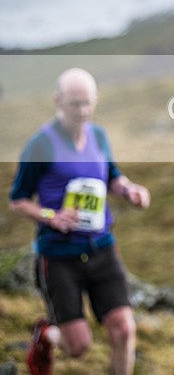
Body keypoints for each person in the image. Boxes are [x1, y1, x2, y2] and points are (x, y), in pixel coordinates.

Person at [8, 67, 151, 375]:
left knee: (124, 329)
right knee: (77, 348)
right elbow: (17, 200)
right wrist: (51, 216)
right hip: (59, 257)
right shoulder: (40, 145)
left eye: (88, 102)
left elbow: (112, 177)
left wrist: (130, 191)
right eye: (75, 104)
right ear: (58, 101)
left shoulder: (98, 135)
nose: (83, 110)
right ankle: (46, 334)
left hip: (101, 247)